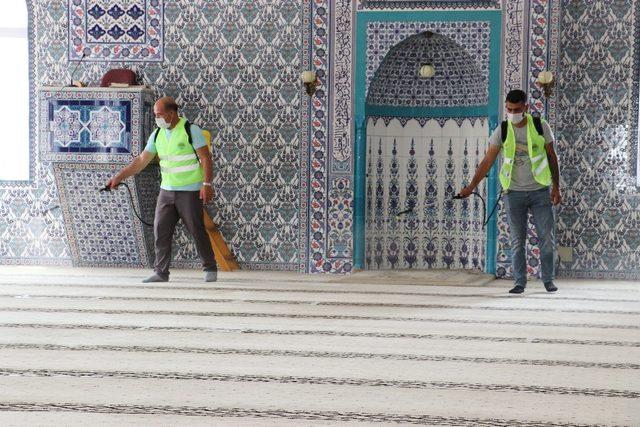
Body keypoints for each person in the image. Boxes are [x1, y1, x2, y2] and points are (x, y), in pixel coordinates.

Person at [458, 89, 561, 294]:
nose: (512, 112)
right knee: (516, 241)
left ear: (526, 108)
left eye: (516, 109)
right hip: (513, 193)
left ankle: (548, 280)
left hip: (540, 190)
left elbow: (551, 156)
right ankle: (519, 282)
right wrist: (470, 187)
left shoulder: (540, 126)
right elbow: (488, 160)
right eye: (509, 109)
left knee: (546, 239)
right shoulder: (503, 129)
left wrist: (556, 187)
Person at [106, 96, 218, 283]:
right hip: (166, 191)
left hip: (190, 190)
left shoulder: (191, 130)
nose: (157, 118)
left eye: (159, 114)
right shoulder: (157, 134)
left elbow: (206, 158)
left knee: (196, 229)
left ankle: (210, 267)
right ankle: (161, 272)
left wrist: (206, 185)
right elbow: (142, 160)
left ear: (171, 113)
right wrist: (119, 177)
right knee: (160, 230)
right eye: (155, 115)